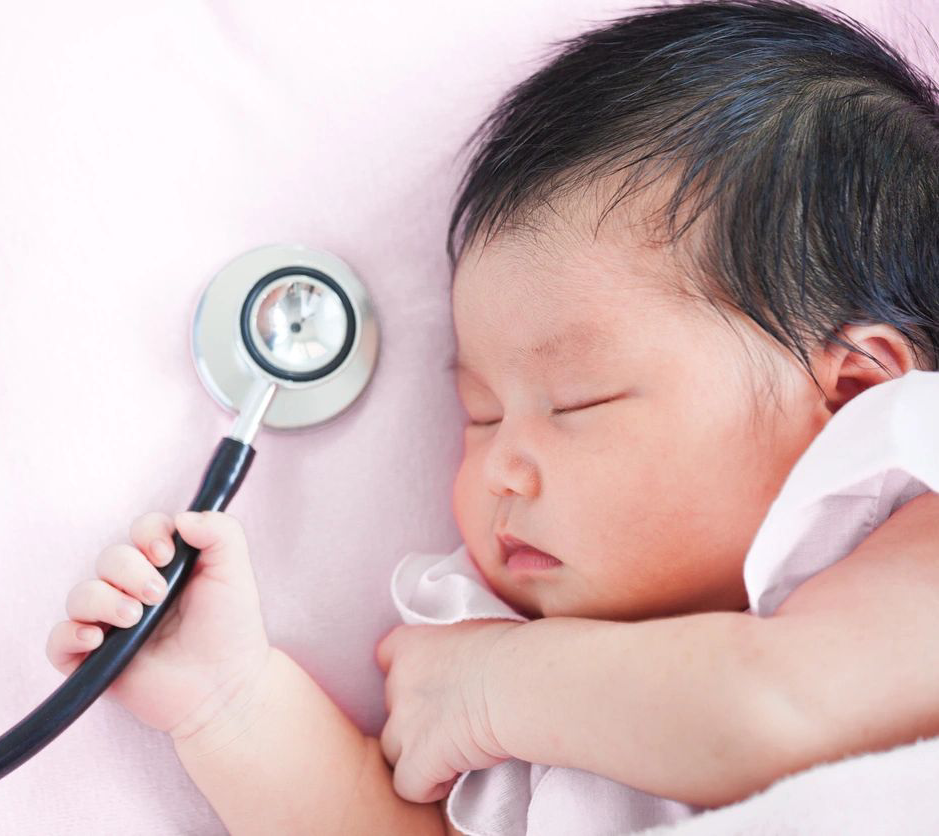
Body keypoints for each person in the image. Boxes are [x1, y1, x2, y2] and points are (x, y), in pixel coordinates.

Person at [46, 1, 939, 832]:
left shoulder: (911, 501)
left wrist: (493, 689)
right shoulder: (525, 657)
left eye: (579, 401)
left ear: (855, 394)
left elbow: (779, 717)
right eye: (480, 414)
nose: (501, 471)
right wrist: (225, 703)